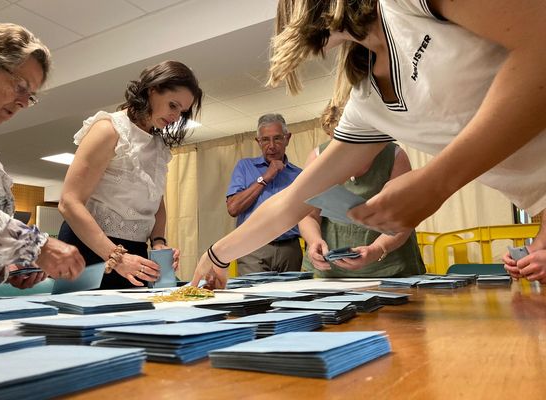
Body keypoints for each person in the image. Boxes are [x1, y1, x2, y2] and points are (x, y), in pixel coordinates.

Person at [190, 0, 546, 288]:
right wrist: (218, 254)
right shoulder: (367, 102)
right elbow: (293, 200)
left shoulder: (406, 6)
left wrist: (437, 181)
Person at [0, 23, 85, 299]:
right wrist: (37, 246)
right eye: (20, 86)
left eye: (30, 96)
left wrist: (6, 266)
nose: (23, 102)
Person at [58, 60, 202, 289]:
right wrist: (117, 257)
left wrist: (158, 242)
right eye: (172, 105)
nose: (176, 116)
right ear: (152, 90)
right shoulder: (108, 129)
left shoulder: (158, 145)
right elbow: (69, 202)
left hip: (134, 253)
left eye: (181, 111)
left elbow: (156, 200)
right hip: (91, 250)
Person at [300, 103, 424, 277]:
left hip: (390, 270)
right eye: (337, 142)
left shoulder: (394, 156)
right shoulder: (318, 158)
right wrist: (314, 241)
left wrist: (377, 248)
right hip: (334, 273)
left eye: (353, 141)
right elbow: (307, 214)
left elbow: (404, 219)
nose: (345, 150)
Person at [226, 113, 303, 275]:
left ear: (287, 138)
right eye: (265, 140)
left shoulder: (299, 175)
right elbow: (233, 208)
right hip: (253, 248)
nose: (272, 145)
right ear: (258, 142)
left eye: (277, 138)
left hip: (290, 249)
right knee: (255, 298)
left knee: (290, 298)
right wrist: (265, 178)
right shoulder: (245, 167)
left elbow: (308, 215)